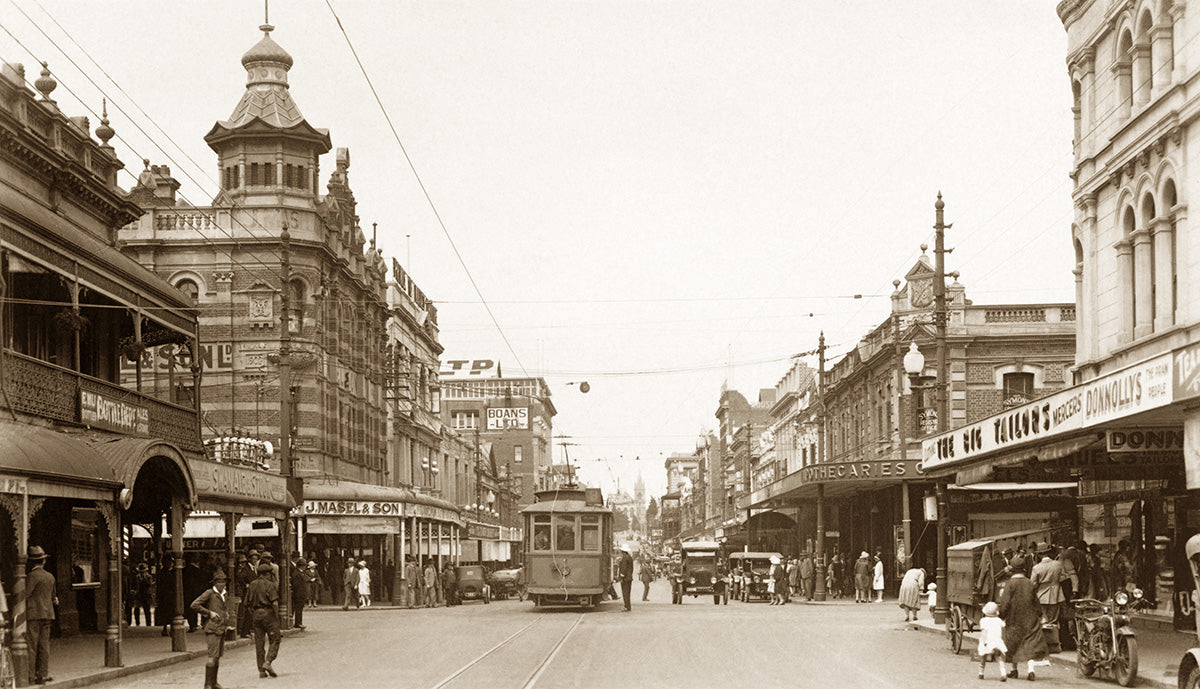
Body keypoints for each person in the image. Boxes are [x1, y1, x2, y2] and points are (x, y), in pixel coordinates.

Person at [998, 555, 1048, 681]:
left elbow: (1005, 603)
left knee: (1014, 644)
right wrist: (1040, 615)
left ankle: (1014, 670)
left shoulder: (1010, 584)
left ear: (1012, 570)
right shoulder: (1029, 583)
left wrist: (1001, 615)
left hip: (1014, 619)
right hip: (1030, 618)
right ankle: (1030, 670)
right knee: (1029, 644)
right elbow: (1035, 601)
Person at [190, 569, 231, 689]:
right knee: (212, 657)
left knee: (217, 657)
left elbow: (224, 608)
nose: (222, 584)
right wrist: (209, 613)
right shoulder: (209, 593)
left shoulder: (225, 594)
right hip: (212, 628)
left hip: (221, 628)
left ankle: (214, 682)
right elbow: (194, 605)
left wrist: (226, 614)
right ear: (214, 583)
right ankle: (207, 684)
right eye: (219, 582)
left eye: (224, 582)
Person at [25, 546, 56, 685]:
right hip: (48, 614)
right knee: (44, 646)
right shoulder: (50, 576)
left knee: (31, 645)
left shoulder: (31, 577)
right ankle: (43, 674)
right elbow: (53, 596)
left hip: (33, 614)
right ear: (43, 561)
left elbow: (25, 594)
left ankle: (30, 676)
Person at [245, 562, 281, 678]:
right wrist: (276, 617)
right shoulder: (270, 585)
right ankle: (268, 662)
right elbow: (274, 603)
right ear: (267, 574)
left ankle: (261, 670)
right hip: (268, 613)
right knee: (275, 639)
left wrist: (255, 613)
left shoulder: (252, 584)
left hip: (256, 614)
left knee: (259, 643)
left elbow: (247, 604)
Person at [1029, 542, 1065, 653]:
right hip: (1057, 594)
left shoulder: (1036, 568)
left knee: (1043, 620)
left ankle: (1043, 646)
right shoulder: (1058, 564)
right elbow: (1064, 577)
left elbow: (1033, 584)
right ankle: (1054, 645)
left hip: (1042, 595)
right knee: (1053, 621)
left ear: (1039, 555)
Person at [977, 601, 1009, 681]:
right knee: (999, 658)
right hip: (997, 641)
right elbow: (1004, 628)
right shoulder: (998, 620)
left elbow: (984, 632)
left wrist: (984, 642)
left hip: (987, 641)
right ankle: (1003, 673)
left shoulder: (983, 621)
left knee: (983, 657)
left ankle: (981, 672)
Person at [234, 552, 256, 638]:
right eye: (253, 559)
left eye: (256, 559)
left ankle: (247, 630)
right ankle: (244, 631)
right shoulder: (246, 569)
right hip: (247, 593)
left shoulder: (252, 568)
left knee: (249, 612)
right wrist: (246, 585)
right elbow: (240, 577)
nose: (254, 560)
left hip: (250, 592)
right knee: (247, 611)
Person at [289, 555, 308, 630]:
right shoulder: (297, 574)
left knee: (299, 609)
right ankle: (298, 623)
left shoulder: (299, 573)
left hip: (300, 594)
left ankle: (299, 622)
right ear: (302, 566)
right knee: (298, 609)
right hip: (298, 594)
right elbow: (297, 585)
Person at [618, 545, 634, 611]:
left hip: (625, 578)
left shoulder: (624, 558)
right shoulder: (630, 557)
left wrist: (621, 577)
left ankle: (626, 606)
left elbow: (623, 568)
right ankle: (628, 606)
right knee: (628, 592)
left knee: (625, 593)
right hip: (629, 578)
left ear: (623, 551)